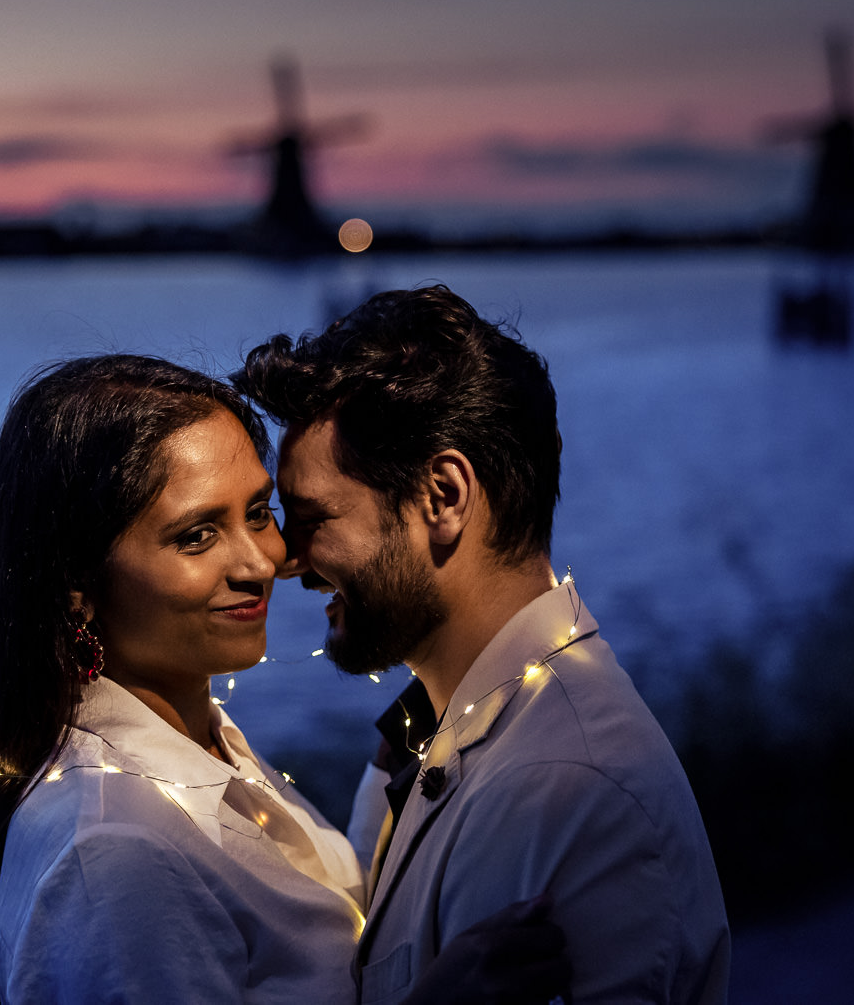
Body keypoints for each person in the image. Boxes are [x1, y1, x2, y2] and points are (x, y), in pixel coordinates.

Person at [0, 353, 567, 1004]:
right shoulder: (118, 857)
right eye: (196, 535)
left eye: (256, 512)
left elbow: (311, 948)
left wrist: (384, 784)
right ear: (78, 587)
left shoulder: (195, 745)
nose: (262, 561)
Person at [236, 286, 732, 1004]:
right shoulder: (439, 733)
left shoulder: (567, 791)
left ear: (442, 496)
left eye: (312, 517)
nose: (287, 559)